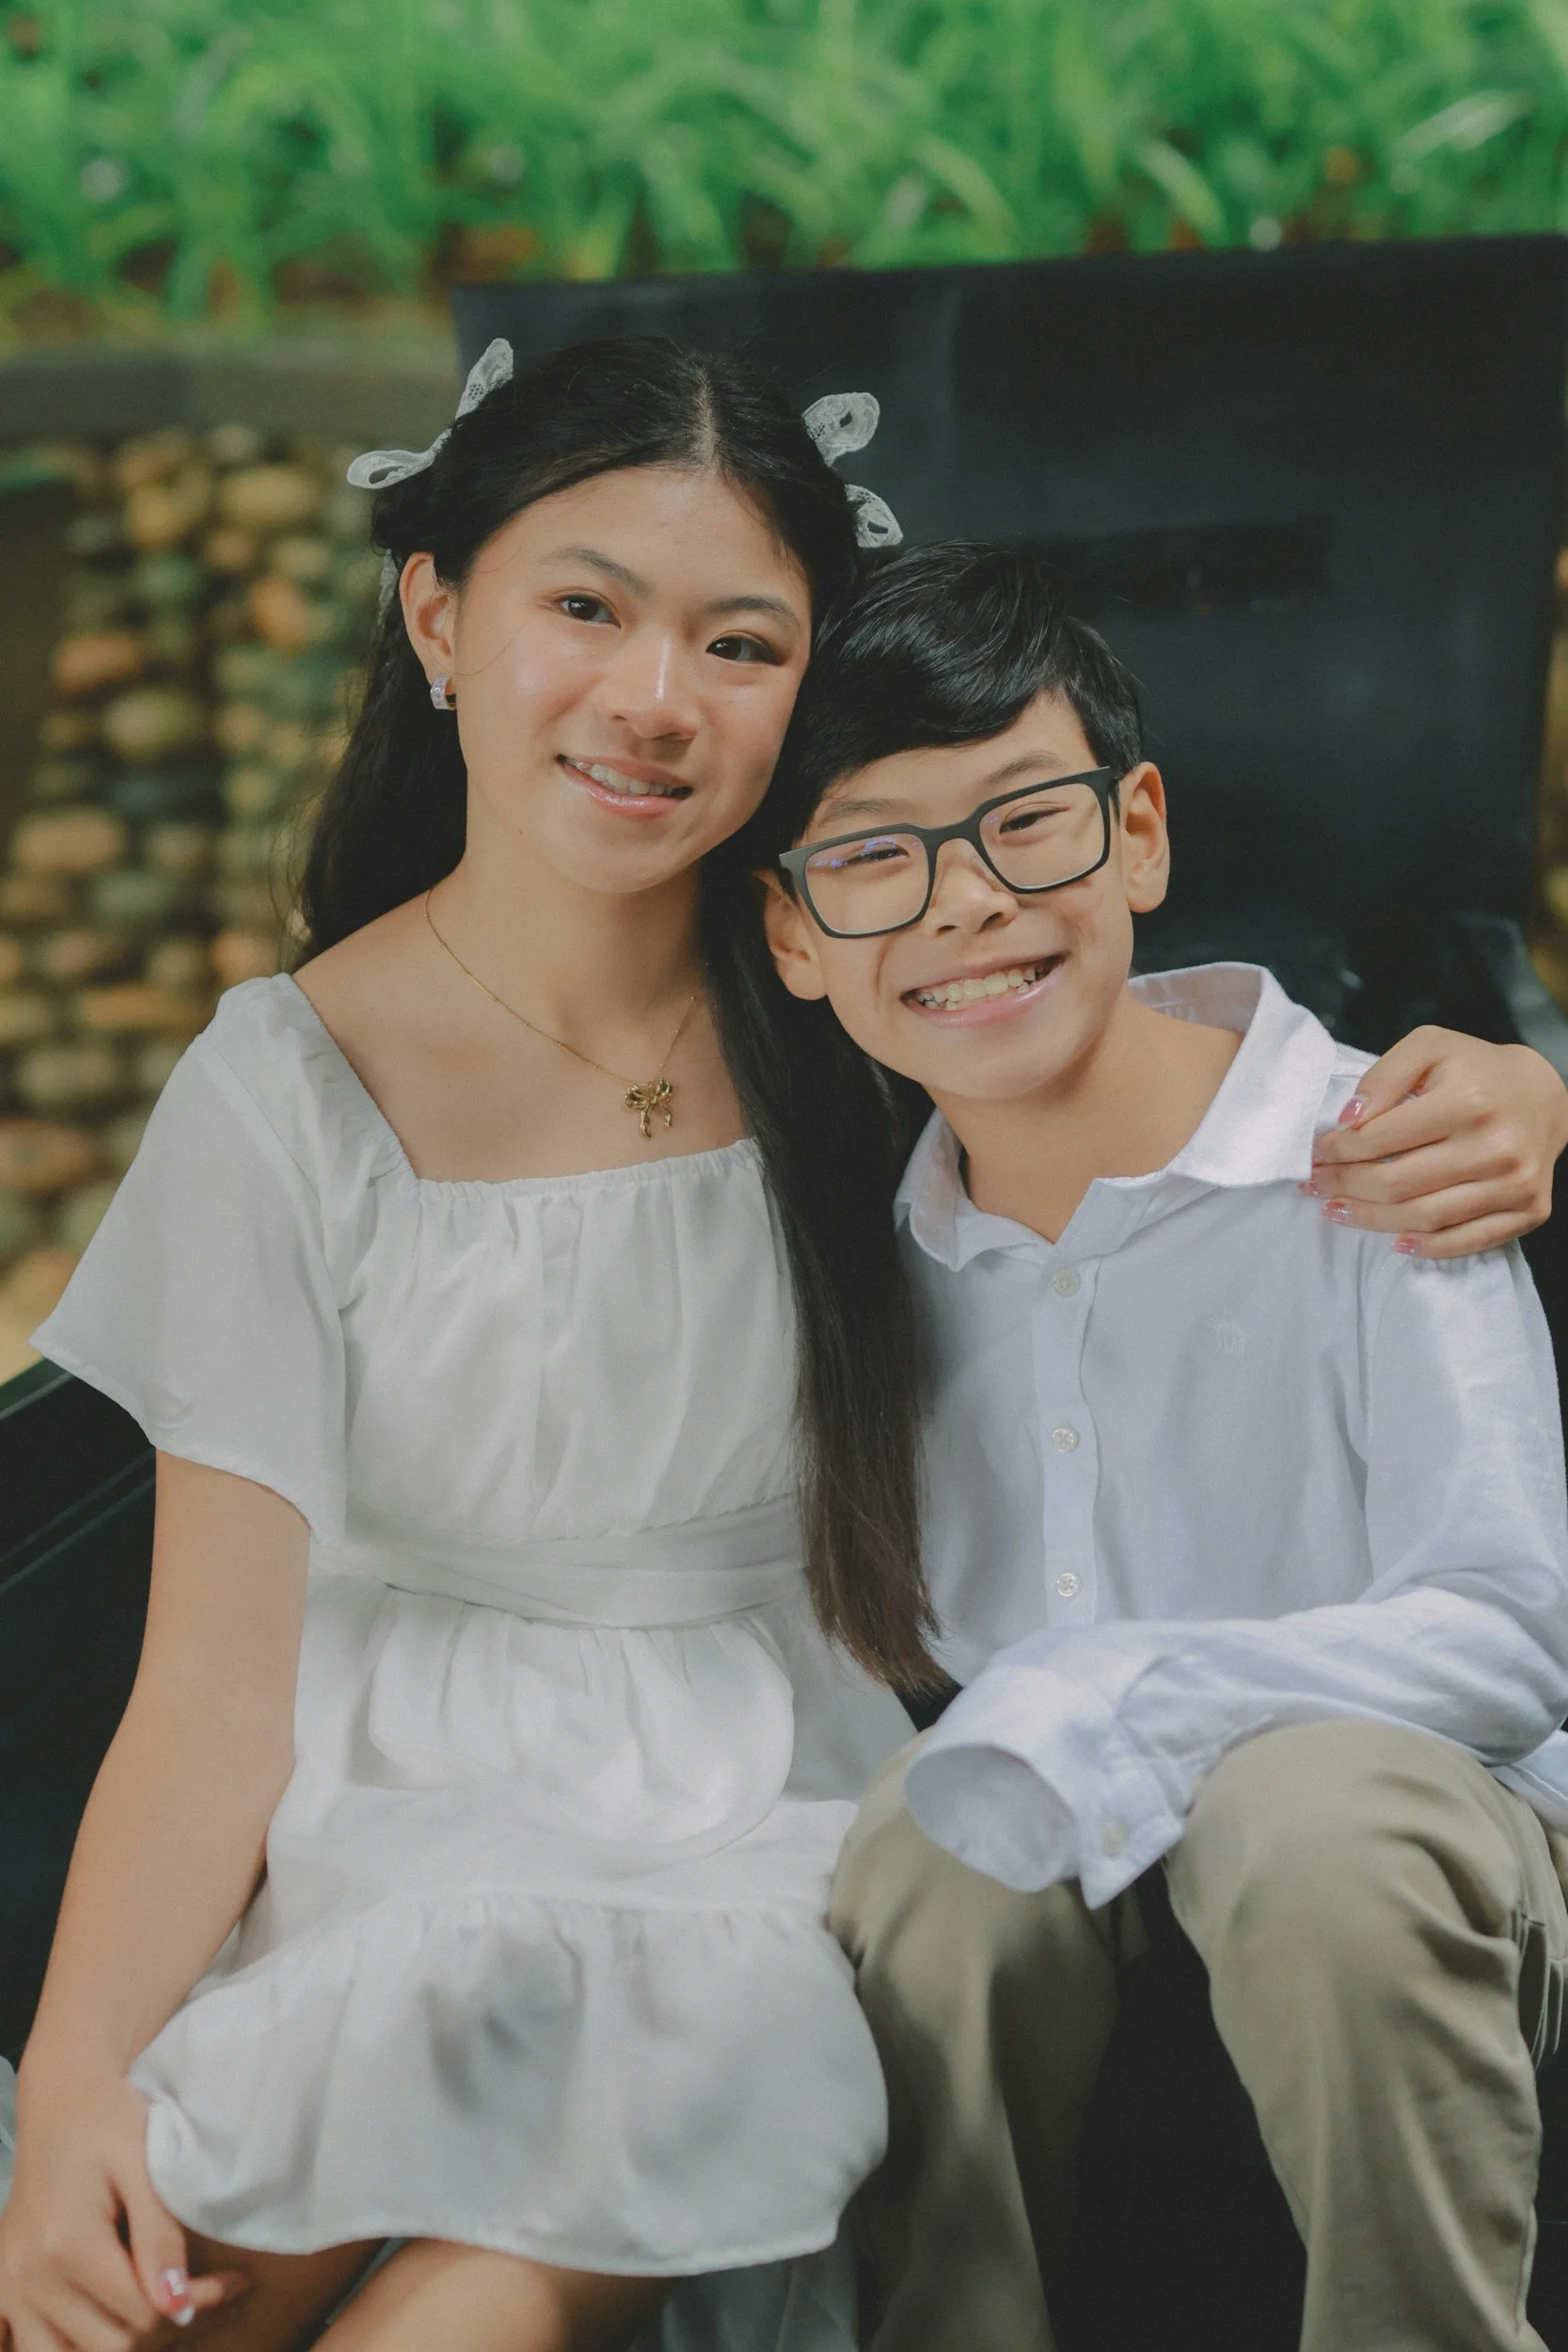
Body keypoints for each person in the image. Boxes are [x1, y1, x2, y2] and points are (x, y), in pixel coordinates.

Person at [0, 348, 1560, 2352]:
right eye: (584, 605)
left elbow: (1109, 1009)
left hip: (759, 1788)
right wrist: (70, 2083)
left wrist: (1510, 1085)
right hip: (395, 1796)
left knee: (530, 2227)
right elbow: (208, 1679)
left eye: (737, 641)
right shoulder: (285, 1081)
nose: (655, 698)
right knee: (158, 2280)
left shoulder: (843, 999)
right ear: (435, 614)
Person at [758, 540, 1568, 2352]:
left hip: (1415, 1813)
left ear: (1133, 831)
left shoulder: (1372, 1151)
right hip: (1055, 1853)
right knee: (934, 1844)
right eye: (873, 857)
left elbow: (1507, 1633)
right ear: (793, 935)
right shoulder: (849, 1257)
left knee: (1306, 1811)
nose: (960, 904)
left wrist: (1114, 1696)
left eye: (1018, 822)